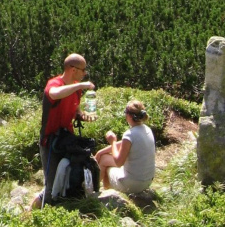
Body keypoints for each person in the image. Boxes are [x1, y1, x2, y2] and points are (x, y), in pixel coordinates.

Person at [32, 53, 95, 209]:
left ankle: (53, 211)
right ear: (73, 69)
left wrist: (82, 116)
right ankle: (34, 214)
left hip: (67, 139)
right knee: (51, 182)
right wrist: (80, 85)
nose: (84, 73)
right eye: (83, 69)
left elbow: (75, 110)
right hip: (50, 141)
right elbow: (53, 94)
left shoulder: (75, 90)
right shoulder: (55, 83)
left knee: (65, 179)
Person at [95, 100, 155, 193]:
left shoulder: (129, 134)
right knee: (104, 157)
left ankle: (98, 192)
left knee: (104, 162)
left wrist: (113, 142)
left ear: (129, 116)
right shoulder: (147, 129)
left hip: (132, 184)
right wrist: (101, 152)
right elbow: (124, 143)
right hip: (147, 181)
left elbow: (118, 162)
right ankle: (106, 191)